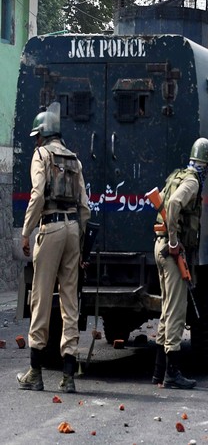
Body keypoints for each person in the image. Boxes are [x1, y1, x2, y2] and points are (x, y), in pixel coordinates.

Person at [18, 108, 91, 393]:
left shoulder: (42, 156)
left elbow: (37, 195)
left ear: (43, 135)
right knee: (70, 301)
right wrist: (80, 243)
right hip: (73, 228)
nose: (36, 142)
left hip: (50, 228)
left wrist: (27, 232)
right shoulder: (74, 159)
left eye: (38, 136)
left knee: (41, 297)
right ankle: (68, 376)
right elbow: (84, 207)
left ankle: (35, 372)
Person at [152, 138, 208, 389]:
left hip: (160, 246)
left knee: (167, 311)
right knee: (177, 312)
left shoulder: (178, 175)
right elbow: (175, 203)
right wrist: (176, 241)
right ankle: (172, 373)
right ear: (205, 165)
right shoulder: (191, 181)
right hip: (171, 251)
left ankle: (158, 372)